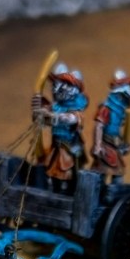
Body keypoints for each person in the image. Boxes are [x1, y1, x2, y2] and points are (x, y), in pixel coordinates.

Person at [32, 63, 88, 191]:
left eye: (65, 84)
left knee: (69, 174)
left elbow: (68, 119)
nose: (57, 88)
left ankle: (70, 192)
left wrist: (50, 115)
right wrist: (38, 110)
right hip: (56, 146)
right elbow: (43, 120)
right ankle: (55, 192)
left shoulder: (76, 111)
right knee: (54, 173)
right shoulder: (56, 106)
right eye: (56, 84)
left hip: (70, 147)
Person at [91, 69, 130, 181]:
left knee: (119, 174)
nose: (124, 100)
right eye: (122, 97)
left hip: (115, 144)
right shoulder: (106, 109)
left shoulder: (121, 113)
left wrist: (124, 145)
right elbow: (99, 126)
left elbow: (119, 131)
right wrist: (98, 145)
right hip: (105, 145)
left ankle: (114, 191)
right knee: (101, 172)